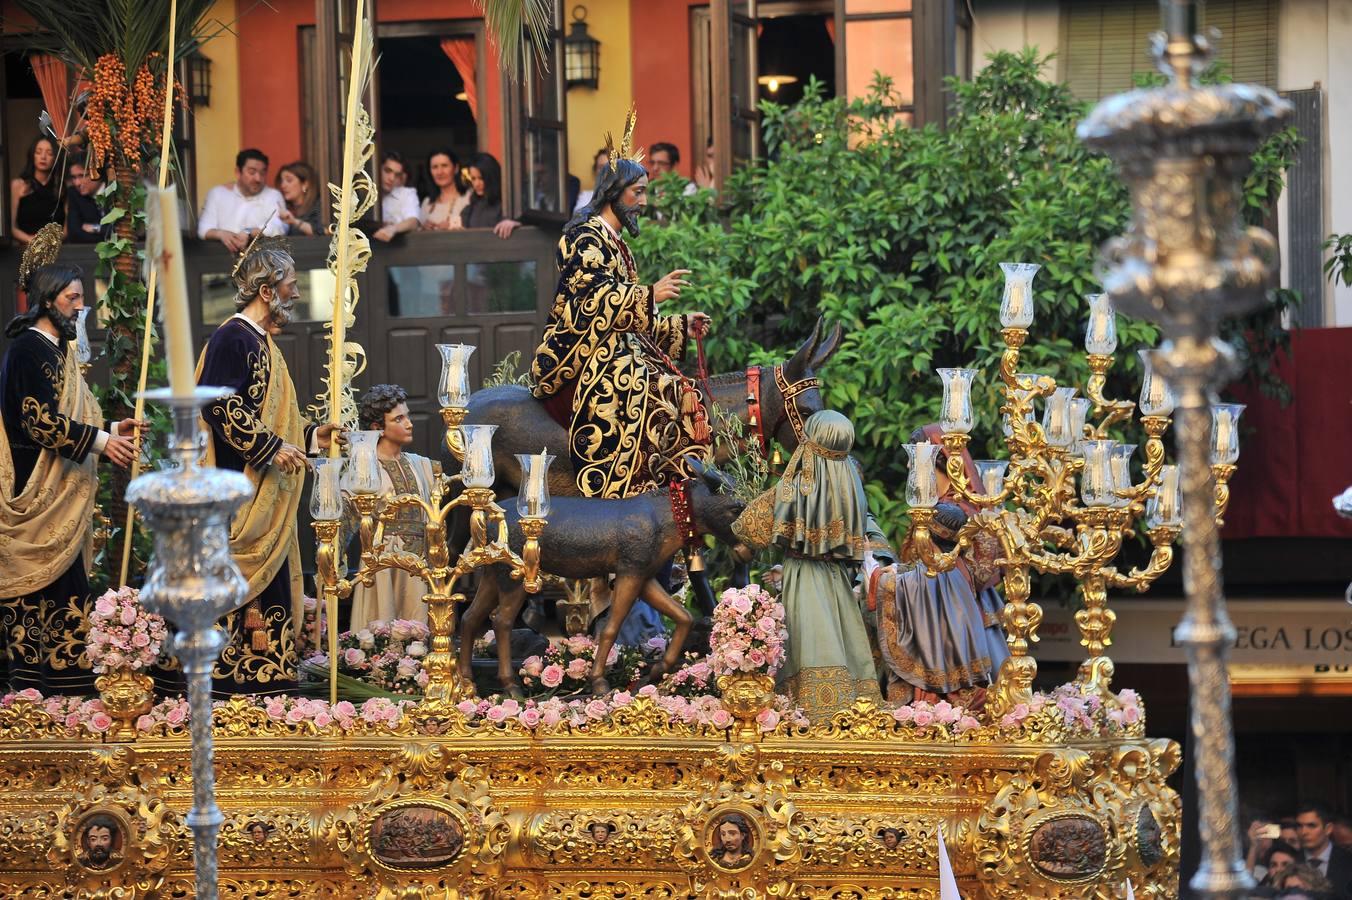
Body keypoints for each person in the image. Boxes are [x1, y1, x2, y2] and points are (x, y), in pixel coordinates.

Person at [530, 120, 710, 499]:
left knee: (673, 384)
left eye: (645, 193)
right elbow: (593, 300)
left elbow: (626, 319)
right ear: (614, 191)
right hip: (581, 353)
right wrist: (650, 295)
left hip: (613, 347)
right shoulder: (583, 236)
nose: (644, 202)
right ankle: (619, 490)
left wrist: (678, 323)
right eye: (638, 193)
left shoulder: (615, 243)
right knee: (648, 388)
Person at [197, 243, 343, 695]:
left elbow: (270, 416)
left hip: (264, 492)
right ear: (266, 289)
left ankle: (268, 689)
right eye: (290, 285)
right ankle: (233, 689)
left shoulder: (262, 343)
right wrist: (267, 446)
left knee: (272, 591)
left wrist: (308, 437)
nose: (296, 294)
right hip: (239, 494)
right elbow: (217, 403)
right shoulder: (233, 337)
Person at [0, 255, 142, 694]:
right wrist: (102, 443)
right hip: (35, 492)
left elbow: (68, 417)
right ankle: (35, 691)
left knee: (67, 590)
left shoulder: (54, 350)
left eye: (82, 299)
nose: (81, 309)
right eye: (73, 299)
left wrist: (112, 430)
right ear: (47, 300)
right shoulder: (28, 347)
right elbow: (38, 421)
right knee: (40, 594)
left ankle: (68, 689)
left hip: (58, 490)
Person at [732, 410, 882, 720]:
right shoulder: (852, 485)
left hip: (803, 575)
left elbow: (752, 528)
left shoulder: (799, 485)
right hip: (837, 578)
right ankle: (851, 709)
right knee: (842, 640)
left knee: (809, 639)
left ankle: (812, 714)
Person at [870, 423, 1009, 708]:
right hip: (929, 609)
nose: (913, 472)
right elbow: (919, 562)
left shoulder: (951, 512)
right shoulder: (931, 508)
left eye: (917, 465)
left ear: (938, 463)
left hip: (954, 612)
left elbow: (946, 569)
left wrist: (891, 578)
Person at [348, 384, 434, 629]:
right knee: (381, 628)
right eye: (399, 418)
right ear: (378, 428)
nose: (409, 423)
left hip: (417, 563)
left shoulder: (421, 465)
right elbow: (343, 515)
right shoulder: (364, 468)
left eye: (407, 415)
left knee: (417, 630)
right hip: (382, 564)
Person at [198, 148, 286, 252]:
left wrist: (249, 232)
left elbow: (279, 227)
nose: (258, 178)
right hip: (219, 258)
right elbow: (203, 228)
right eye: (252, 172)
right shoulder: (218, 193)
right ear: (238, 172)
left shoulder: (273, 195)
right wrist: (221, 234)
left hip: (260, 261)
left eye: (262, 173)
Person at [10, 135, 64, 244]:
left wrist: (50, 242)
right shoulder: (18, 185)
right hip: (25, 248)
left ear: (56, 157)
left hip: (55, 249)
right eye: (38, 152)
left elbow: (67, 228)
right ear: (32, 155)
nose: (43, 157)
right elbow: (11, 227)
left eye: (49, 153)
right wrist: (32, 241)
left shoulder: (62, 187)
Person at [1295, 803, 1352, 898]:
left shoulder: (1348, 861)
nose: (1304, 832)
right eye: (1299, 826)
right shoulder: (1290, 860)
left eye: (1311, 826)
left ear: (1328, 829)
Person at [461, 153, 520, 238]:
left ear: (492, 177)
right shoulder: (469, 209)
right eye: (473, 178)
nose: (476, 184)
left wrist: (515, 223)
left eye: (481, 178)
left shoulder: (509, 204)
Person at [418, 148, 470, 231]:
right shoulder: (427, 203)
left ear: (456, 168)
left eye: (444, 166)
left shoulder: (468, 197)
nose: (439, 172)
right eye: (435, 167)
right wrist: (423, 229)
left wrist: (451, 227)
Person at [374, 151, 420, 242]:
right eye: (387, 171)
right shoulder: (364, 193)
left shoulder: (406, 193)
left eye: (397, 175)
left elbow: (413, 221)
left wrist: (392, 229)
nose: (392, 178)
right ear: (377, 168)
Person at [65, 156, 105, 244]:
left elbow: (121, 232)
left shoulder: (114, 191)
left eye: (82, 176)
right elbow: (74, 233)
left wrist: (96, 228)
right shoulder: (74, 193)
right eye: (74, 177)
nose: (77, 183)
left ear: (96, 173)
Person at [276, 161, 321, 237]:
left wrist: (294, 222)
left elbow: (322, 232)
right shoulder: (283, 207)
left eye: (289, 180)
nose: (283, 185)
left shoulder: (319, 206)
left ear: (305, 184)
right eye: (282, 181)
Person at [572, 147, 610, 213]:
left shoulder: (626, 197)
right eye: (601, 167)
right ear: (595, 172)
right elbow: (578, 219)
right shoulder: (585, 197)